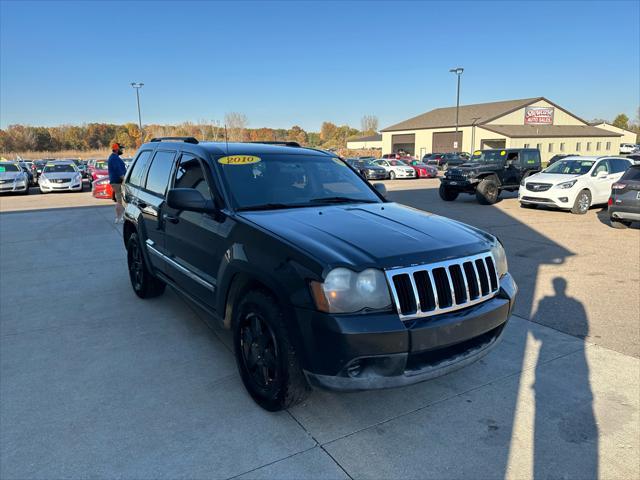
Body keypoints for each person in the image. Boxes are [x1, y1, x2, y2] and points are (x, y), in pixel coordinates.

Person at [107, 142, 127, 223]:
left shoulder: (114, 157)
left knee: (120, 200)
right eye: (120, 149)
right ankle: (119, 218)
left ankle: (120, 217)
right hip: (117, 182)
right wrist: (125, 180)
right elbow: (118, 170)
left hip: (117, 182)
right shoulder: (114, 158)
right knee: (119, 200)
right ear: (116, 149)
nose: (122, 150)